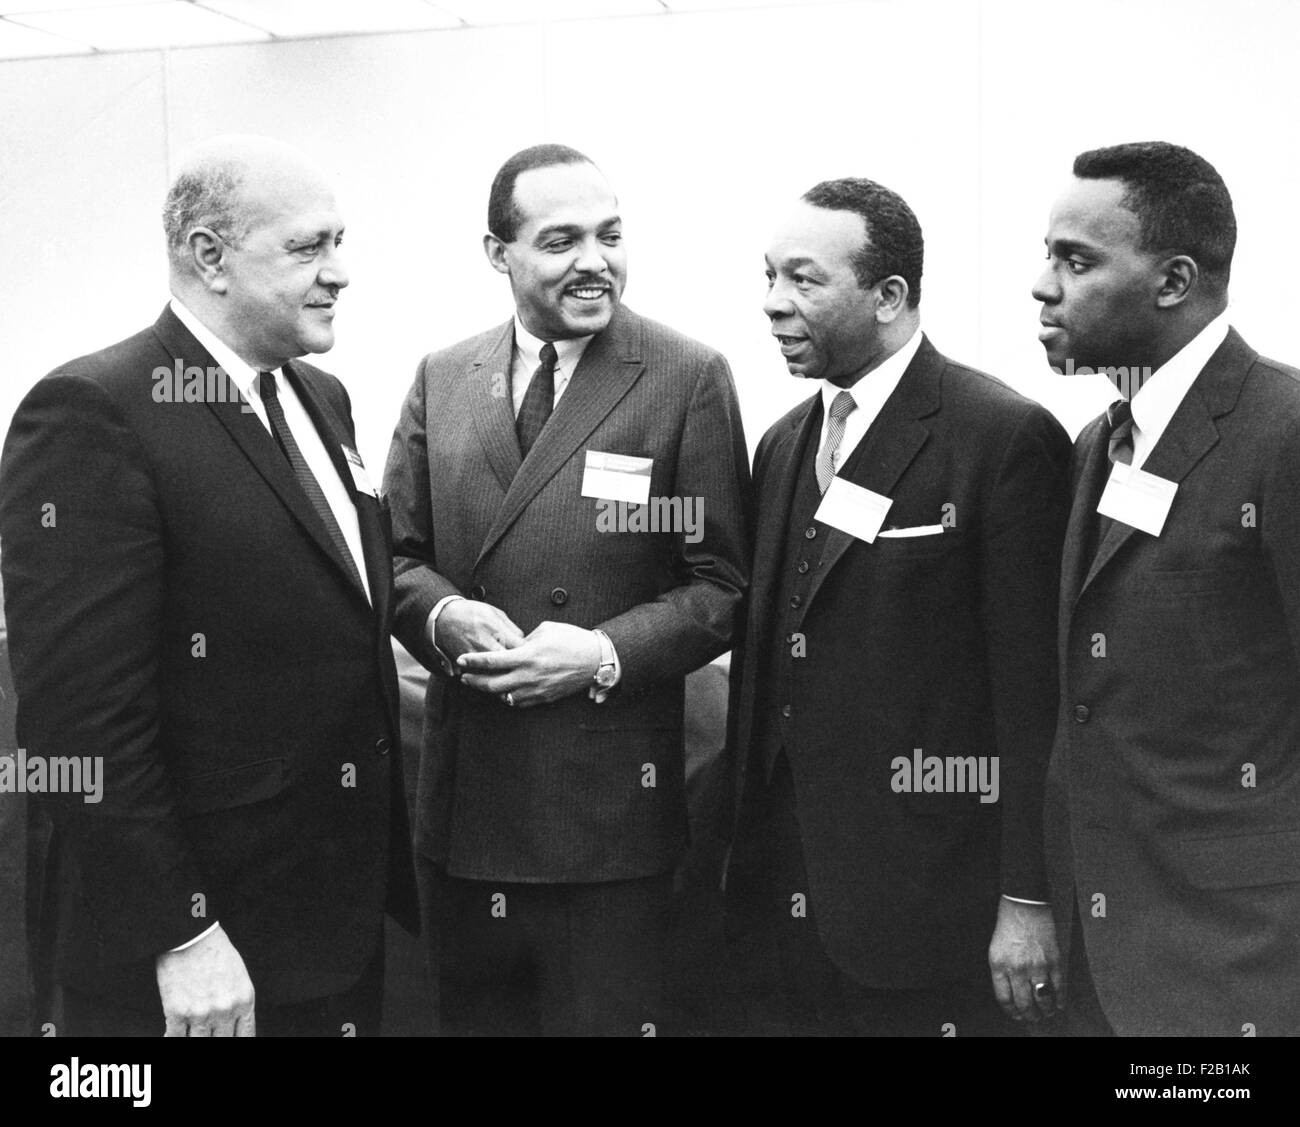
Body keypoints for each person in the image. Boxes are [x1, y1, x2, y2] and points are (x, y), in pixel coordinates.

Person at [0, 135, 416, 1037]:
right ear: (208, 256)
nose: (340, 272)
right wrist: (181, 931)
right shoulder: (95, 411)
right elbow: (79, 719)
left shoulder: (321, 398)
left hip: (327, 929)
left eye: (340, 242)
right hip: (197, 960)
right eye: (308, 248)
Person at [383, 143, 750, 1036]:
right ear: (497, 253)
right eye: (561, 241)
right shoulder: (443, 374)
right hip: (468, 808)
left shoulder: (684, 377)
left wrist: (602, 652)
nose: (595, 261)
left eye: (611, 235)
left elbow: (722, 583)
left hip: (607, 815)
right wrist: (441, 611)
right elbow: (392, 552)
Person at [724, 177, 1070, 1036]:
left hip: (930, 913)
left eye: (803, 280)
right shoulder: (780, 448)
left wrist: (1028, 898)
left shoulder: (1000, 438)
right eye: (768, 277)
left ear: (890, 297)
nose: (773, 304)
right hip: (784, 910)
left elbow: (1034, 699)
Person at [1034, 140, 1300, 1036]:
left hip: (1241, 961)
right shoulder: (1095, 445)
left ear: (1175, 280)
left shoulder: (1285, 432)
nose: (1043, 285)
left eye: (1076, 260)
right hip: (1101, 959)